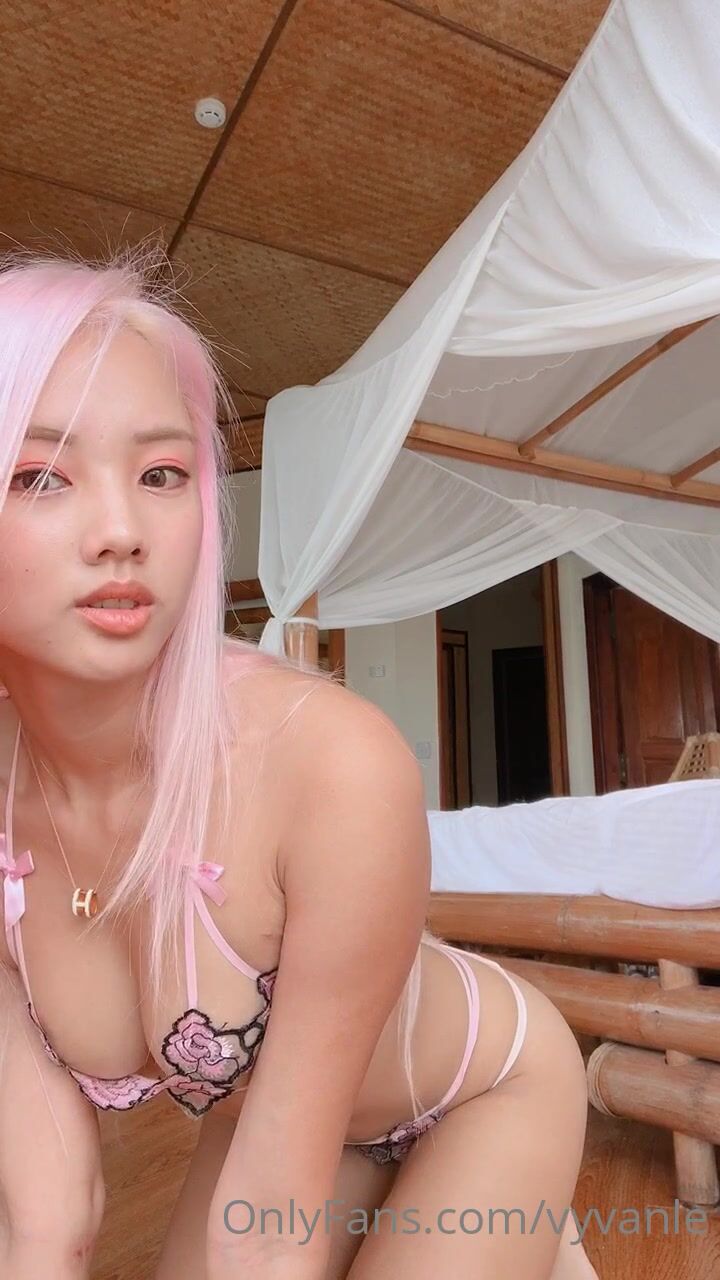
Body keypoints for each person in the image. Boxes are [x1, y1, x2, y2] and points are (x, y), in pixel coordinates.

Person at [0, 247, 599, 1280]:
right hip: (269, 1118)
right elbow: (47, 1217)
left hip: (481, 1090)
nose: (121, 531)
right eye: (40, 475)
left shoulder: (332, 764)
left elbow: (269, 1226)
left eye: (161, 473)